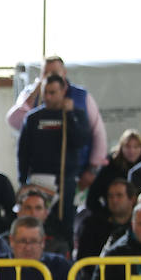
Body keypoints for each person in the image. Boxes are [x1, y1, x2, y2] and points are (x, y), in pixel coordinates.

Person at [7, 55, 107, 183]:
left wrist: (93, 168)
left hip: (73, 173)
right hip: (40, 175)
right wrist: (36, 92)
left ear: (64, 73)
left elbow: (96, 133)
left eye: (53, 72)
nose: (49, 76)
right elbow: (14, 121)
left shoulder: (81, 97)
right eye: (45, 73)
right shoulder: (31, 99)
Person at [16, 73, 90, 243]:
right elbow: (23, 153)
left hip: (65, 181)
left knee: (65, 224)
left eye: (53, 92)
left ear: (63, 91)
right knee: (39, 222)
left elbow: (80, 141)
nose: (48, 97)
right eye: (45, 92)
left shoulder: (76, 114)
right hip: (38, 180)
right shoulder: (33, 118)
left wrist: (70, 115)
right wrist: (23, 183)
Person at [84, 129, 141, 212]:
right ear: (121, 147)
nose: (132, 151)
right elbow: (92, 197)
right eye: (127, 146)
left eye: (136, 147)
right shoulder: (109, 166)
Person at [74, 177, 134, 261]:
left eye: (119, 195)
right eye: (110, 196)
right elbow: (84, 259)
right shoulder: (93, 225)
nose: (114, 200)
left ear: (132, 199)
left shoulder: (139, 225)